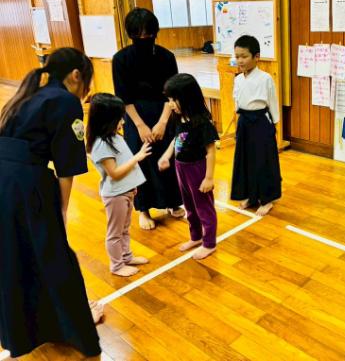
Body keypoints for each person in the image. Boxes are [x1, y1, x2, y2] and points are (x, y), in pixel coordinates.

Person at [0, 48, 101, 357]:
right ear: (76, 75)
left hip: (6, 179)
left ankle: (28, 329)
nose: (86, 91)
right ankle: (74, 326)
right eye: (87, 82)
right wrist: (62, 209)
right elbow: (67, 166)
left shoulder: (29, 94)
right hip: (24, 184)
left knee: (15, 252)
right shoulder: (64, 100)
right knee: (55, 254)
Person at [112, 7, 184, 230]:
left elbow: (171, 93)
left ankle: (173, 201)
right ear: (131, 34)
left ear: (155, 32)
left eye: (148, 33)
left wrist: (162, 122)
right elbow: (123, 97)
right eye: (138, 34)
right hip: (135, 116)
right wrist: (140, 125)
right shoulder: (121, 59)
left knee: (169, 158)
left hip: (164, 112)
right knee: (140, 161)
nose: (144, 37)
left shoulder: (166, 57)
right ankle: (143, 210)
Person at [87, 93, 152, 276]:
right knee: (115, 233)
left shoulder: (114, 137)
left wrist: (132, 185)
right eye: (119, 118)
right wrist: (138, 157)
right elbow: (114, 173)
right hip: (115, 194)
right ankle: (116, 266)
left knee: (124, 229)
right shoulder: (101, 144)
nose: (123, 121)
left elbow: (123, 163)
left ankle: (126, 257)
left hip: (126, 191)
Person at [158, 74, 219, 260]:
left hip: (197, 169)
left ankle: (209, 243)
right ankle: (196, 237)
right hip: (180, 168)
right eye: (169, 99)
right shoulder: (179, 118)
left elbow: (211, 152)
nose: (170, 104)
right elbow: (177, 139)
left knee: (203, 207)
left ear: (187, 98)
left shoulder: (202, 122)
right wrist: (166, 155)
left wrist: (208, 178)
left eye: (173, 99)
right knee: (189, 206)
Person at [230, 35, 282, 216]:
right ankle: (251, 196)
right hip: (244, 122)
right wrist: (238, 123)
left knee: (263, 161)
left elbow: (273, 102)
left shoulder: (266, 78)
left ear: (256, 56)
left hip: (261, 122)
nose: (240, 60)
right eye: (237, 56)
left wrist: (274, 124)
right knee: (245, 160)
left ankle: (266, 199)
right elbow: (236, 102)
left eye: (244, 56)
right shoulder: (238, 79)